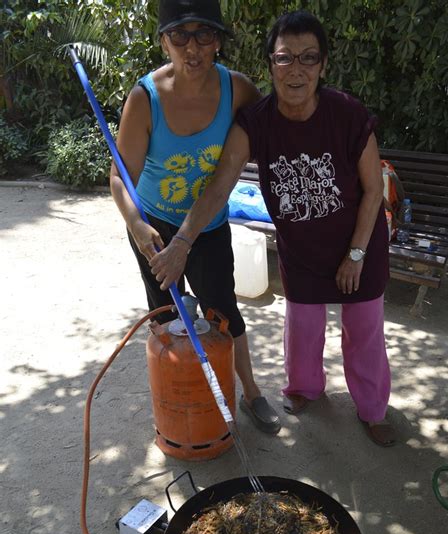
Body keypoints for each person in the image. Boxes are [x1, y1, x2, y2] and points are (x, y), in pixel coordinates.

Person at [151, 9, 396, 447]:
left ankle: (373, 410)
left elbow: (374, 191)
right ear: (270, 64)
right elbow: (221, 183)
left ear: (322, 65)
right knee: (301, 332)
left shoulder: (347, 114)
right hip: (302, 252)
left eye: (308, 58)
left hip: (359, 248)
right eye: (285, 58)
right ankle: (304, 390)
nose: (296, 70)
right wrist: (184, 240)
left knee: (364, 334)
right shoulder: (257, 122)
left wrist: (356, 255)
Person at [110, 0, 281, 434]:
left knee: (224, 312)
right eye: (179, 35)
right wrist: (135, 224)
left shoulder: (238, 90)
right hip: (152, 225)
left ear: (218, 41)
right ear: (164, 40)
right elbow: (118, 178)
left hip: (207, 226)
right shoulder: (144, 98)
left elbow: (272, 132)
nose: (192, 47)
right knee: (167, 317)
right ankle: (180, 399)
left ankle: (251, 393)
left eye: (204, 35)